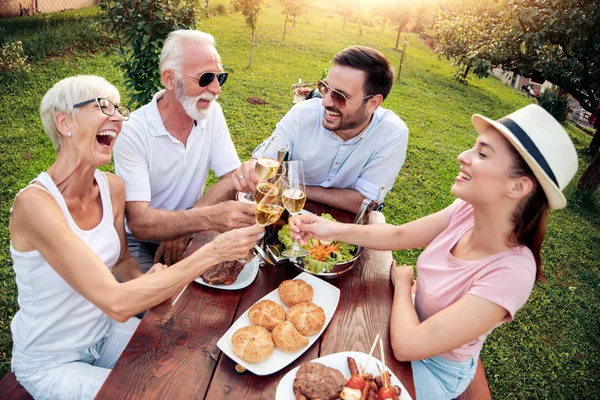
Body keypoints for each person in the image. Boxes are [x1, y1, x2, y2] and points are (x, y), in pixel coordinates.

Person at [289, 104, 578, 399]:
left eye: (482, 153)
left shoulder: (512, 272)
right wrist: (329, 229)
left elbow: (407, 346)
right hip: (407, 322)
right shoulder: (468, 210)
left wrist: (403, 288)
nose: (462, 157)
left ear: (518, 186)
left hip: (433, 368)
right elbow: (400, 234)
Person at [8, 75, 263, 399]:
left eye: (118, 109)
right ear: (64, 122)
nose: (117, 117)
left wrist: (146, 281)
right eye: (102, 106)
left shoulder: (112, 188)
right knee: (146, 394)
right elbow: (116, 302)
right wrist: (212, 252)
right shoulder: (34, 204)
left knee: (187, 369)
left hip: (105, 332)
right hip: (52, 361)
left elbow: (122, 260)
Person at [113, 29, 255, 272]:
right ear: (169, 79)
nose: (216, 89)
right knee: (155, 305)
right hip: (141, 243)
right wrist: (204, 218)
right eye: (205, 78)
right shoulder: (132, 132)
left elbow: (232, 180)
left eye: (220, 78)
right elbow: (139, 222)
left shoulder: (211, 113)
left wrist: (188, 223)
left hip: (192, 230)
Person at [232, 45, 409, 213]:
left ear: (373, 103)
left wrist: (297, 188)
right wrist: (252, 169)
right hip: (285, 213)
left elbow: (365, 202)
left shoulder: (391, 134)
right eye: (325, 88)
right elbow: (266, 161)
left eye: (340, 96)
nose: (325, 102)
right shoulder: (303, 114)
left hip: (339, 229)